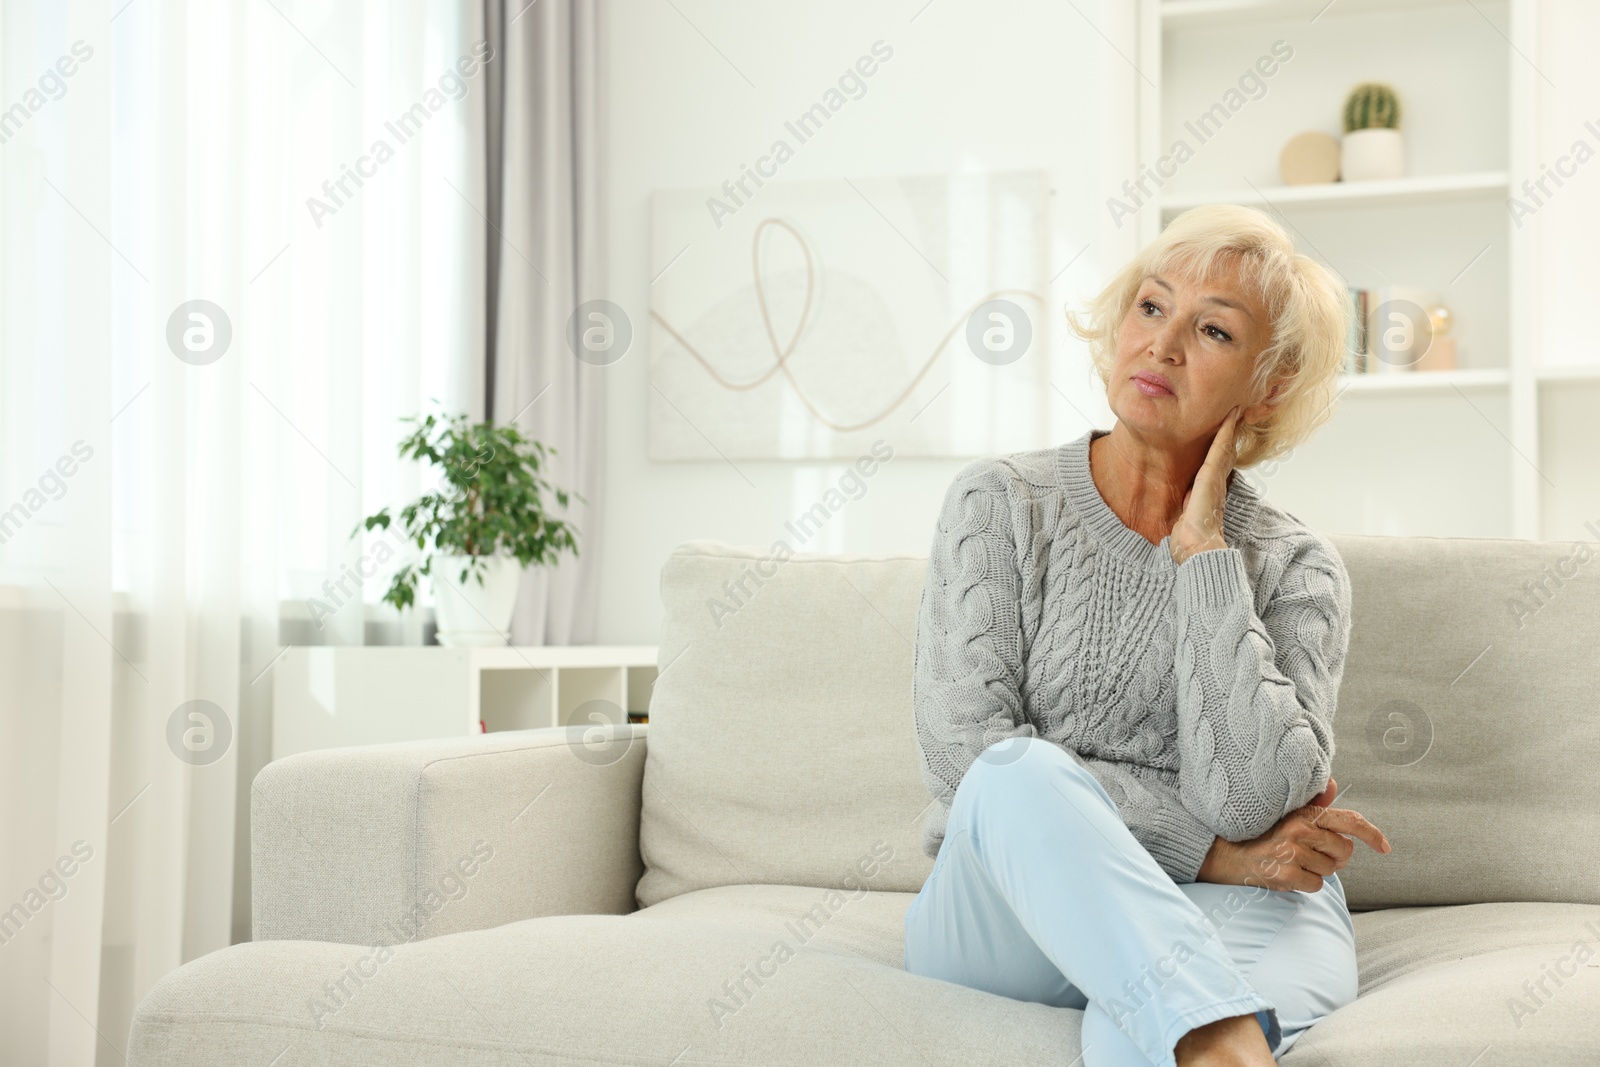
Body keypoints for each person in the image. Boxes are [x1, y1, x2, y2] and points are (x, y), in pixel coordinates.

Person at [903, 204, 1393, 1067]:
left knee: (1141, 1025)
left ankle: (1199, 1034)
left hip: (1247, 906)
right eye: (1151, 307)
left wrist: (1205, 559)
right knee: (1017, 772)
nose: (1163, 346)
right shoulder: (1000, 504)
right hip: (1008, 908)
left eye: (1211, 329)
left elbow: (1253, 804)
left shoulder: (1296, 566)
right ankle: (1218, 1032)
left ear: (1266, 386)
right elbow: (964, 758)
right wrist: (1213, 854)